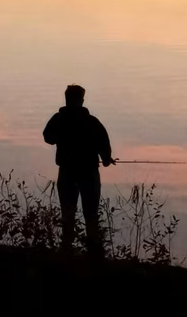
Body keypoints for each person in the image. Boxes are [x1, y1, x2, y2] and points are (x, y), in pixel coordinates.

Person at [43, 84, 114, 255]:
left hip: (67, 173)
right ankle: (93, 251)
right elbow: (104, 149)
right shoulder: (92, 122)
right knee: (90, 214)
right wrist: (106, 159)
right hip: (88, 174)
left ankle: (66, 250)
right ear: (82, 100)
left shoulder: (58, 119)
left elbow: (48, 137)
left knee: (68, 213)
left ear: (66, 99)